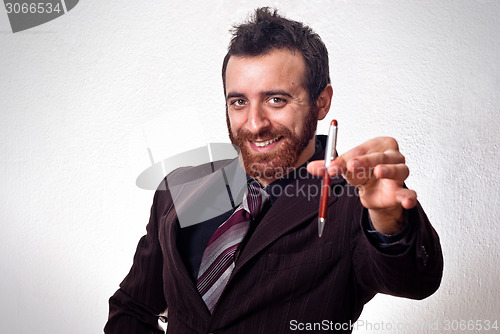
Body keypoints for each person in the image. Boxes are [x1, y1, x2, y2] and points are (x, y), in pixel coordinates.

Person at [105, 7, 443, 334]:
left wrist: (389, 220)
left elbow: (414, 280)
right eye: (238, 101)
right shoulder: (179, 186)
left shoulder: (355, 203)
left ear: (321, 102)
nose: (254, 124)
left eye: (276, 100)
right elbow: (133, 305)